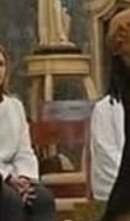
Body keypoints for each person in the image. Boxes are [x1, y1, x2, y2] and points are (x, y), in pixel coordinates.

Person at [0, 44, 57, 221]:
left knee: (42, 198)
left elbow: (24, 151)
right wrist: (8, 178)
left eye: (0, 64)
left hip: (15, 174)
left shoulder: (14, 106)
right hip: (3, 176)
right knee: (10, 199)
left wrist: (24, 179)